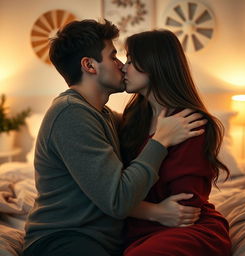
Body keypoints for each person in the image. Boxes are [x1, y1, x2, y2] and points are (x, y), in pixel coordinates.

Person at [22, 20, 206, 256]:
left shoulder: (104, 116)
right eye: (114, 56)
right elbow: (118, 199)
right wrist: (160, 140)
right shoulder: (70, 114)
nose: (121, 66)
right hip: (65, 239)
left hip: (101, 240)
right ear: (89, 65)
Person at [120, 29, 232, 256]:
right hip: (141, 227)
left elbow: (185, 210)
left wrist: (129, 209)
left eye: (130, 61)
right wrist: (147, 210)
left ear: (154, 64)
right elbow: (114, 188)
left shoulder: (191, 123)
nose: (123, 67)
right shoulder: (133, 117)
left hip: (185, 229)